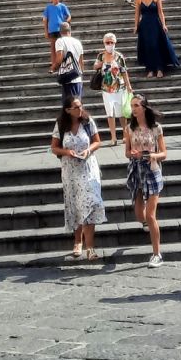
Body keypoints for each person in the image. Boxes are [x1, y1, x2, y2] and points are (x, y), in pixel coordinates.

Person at [51, 95, 106, 261]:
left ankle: (90, 247)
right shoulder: (61, 124)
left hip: (88, 167)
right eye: (76, 107)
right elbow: (54, 148)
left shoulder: (88, 121)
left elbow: (97, 141)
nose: (80, 109)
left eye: (80, 106)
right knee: (75, 204)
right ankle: (77, 241)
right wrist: (67, 152)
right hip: (70, 171)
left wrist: (88, 150)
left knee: (90, 201)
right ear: (68, 110)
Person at [125, 91, 166, 265]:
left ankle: (157, 254)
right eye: (132, 105)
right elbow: (126, 152)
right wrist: (132, 154)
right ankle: (145, 224)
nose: (133, 109)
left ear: (144, 107)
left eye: (136, 105)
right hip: (136, 169)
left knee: (150, 215)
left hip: (152, 168)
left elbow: (164, 153)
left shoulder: (156, 127)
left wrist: (154, 156)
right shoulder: (129, 128)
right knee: (138, 213)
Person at [135, 0, 179, 78]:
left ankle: (160, 68)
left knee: (156, 45)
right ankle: (150, 69)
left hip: (155, 23)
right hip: (144, 25)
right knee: (147, 46)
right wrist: (136, 26)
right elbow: (137, 14)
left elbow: (160, 12)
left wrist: (164, 24)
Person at [93, 33, 132, 148]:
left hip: (120, 87)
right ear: (104, 43)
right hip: (106, 88)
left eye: (112, 42)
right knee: (110, 113)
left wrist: (129, 85)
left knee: (121, 113)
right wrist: (99, 64)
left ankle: (125, 135)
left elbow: (124, 71)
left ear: (115, 43)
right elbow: (94, 66)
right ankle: (113, 137)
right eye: (107, 42)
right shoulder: (101, 55)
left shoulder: (119, 56)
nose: (110, 44)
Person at [51, 26, 85, 104]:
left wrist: (53, 67)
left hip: (68, 79)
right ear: (70, 31)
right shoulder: (77, 42)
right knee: (77, 105)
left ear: (60, 32)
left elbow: (59, 58)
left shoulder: (60, 41)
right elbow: (81, 62)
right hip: (78, 79)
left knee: (69, 106)